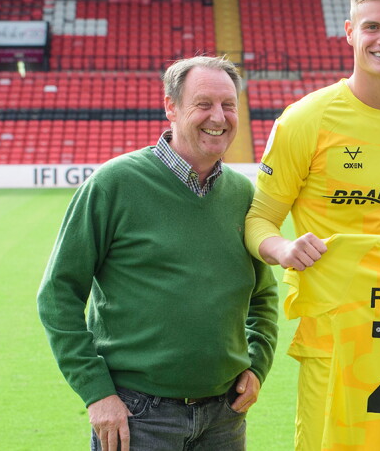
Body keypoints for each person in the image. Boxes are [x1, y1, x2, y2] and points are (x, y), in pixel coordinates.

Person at [243, 0, 380, 451]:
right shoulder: (305, 120)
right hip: (332, 331)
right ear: (350, 32)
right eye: (372, 26)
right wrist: (283, 248)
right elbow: (259, 219)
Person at [36, 56, 279, 451]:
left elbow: (264, 294)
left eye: (228, 105)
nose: (218, 116)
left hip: (223, 417)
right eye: (203, 104)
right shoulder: (114, 184)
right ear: (171, 107)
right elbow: (58, 294)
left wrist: (257, 363)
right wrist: (96, 393)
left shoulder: (242, 194)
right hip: (137, 416)